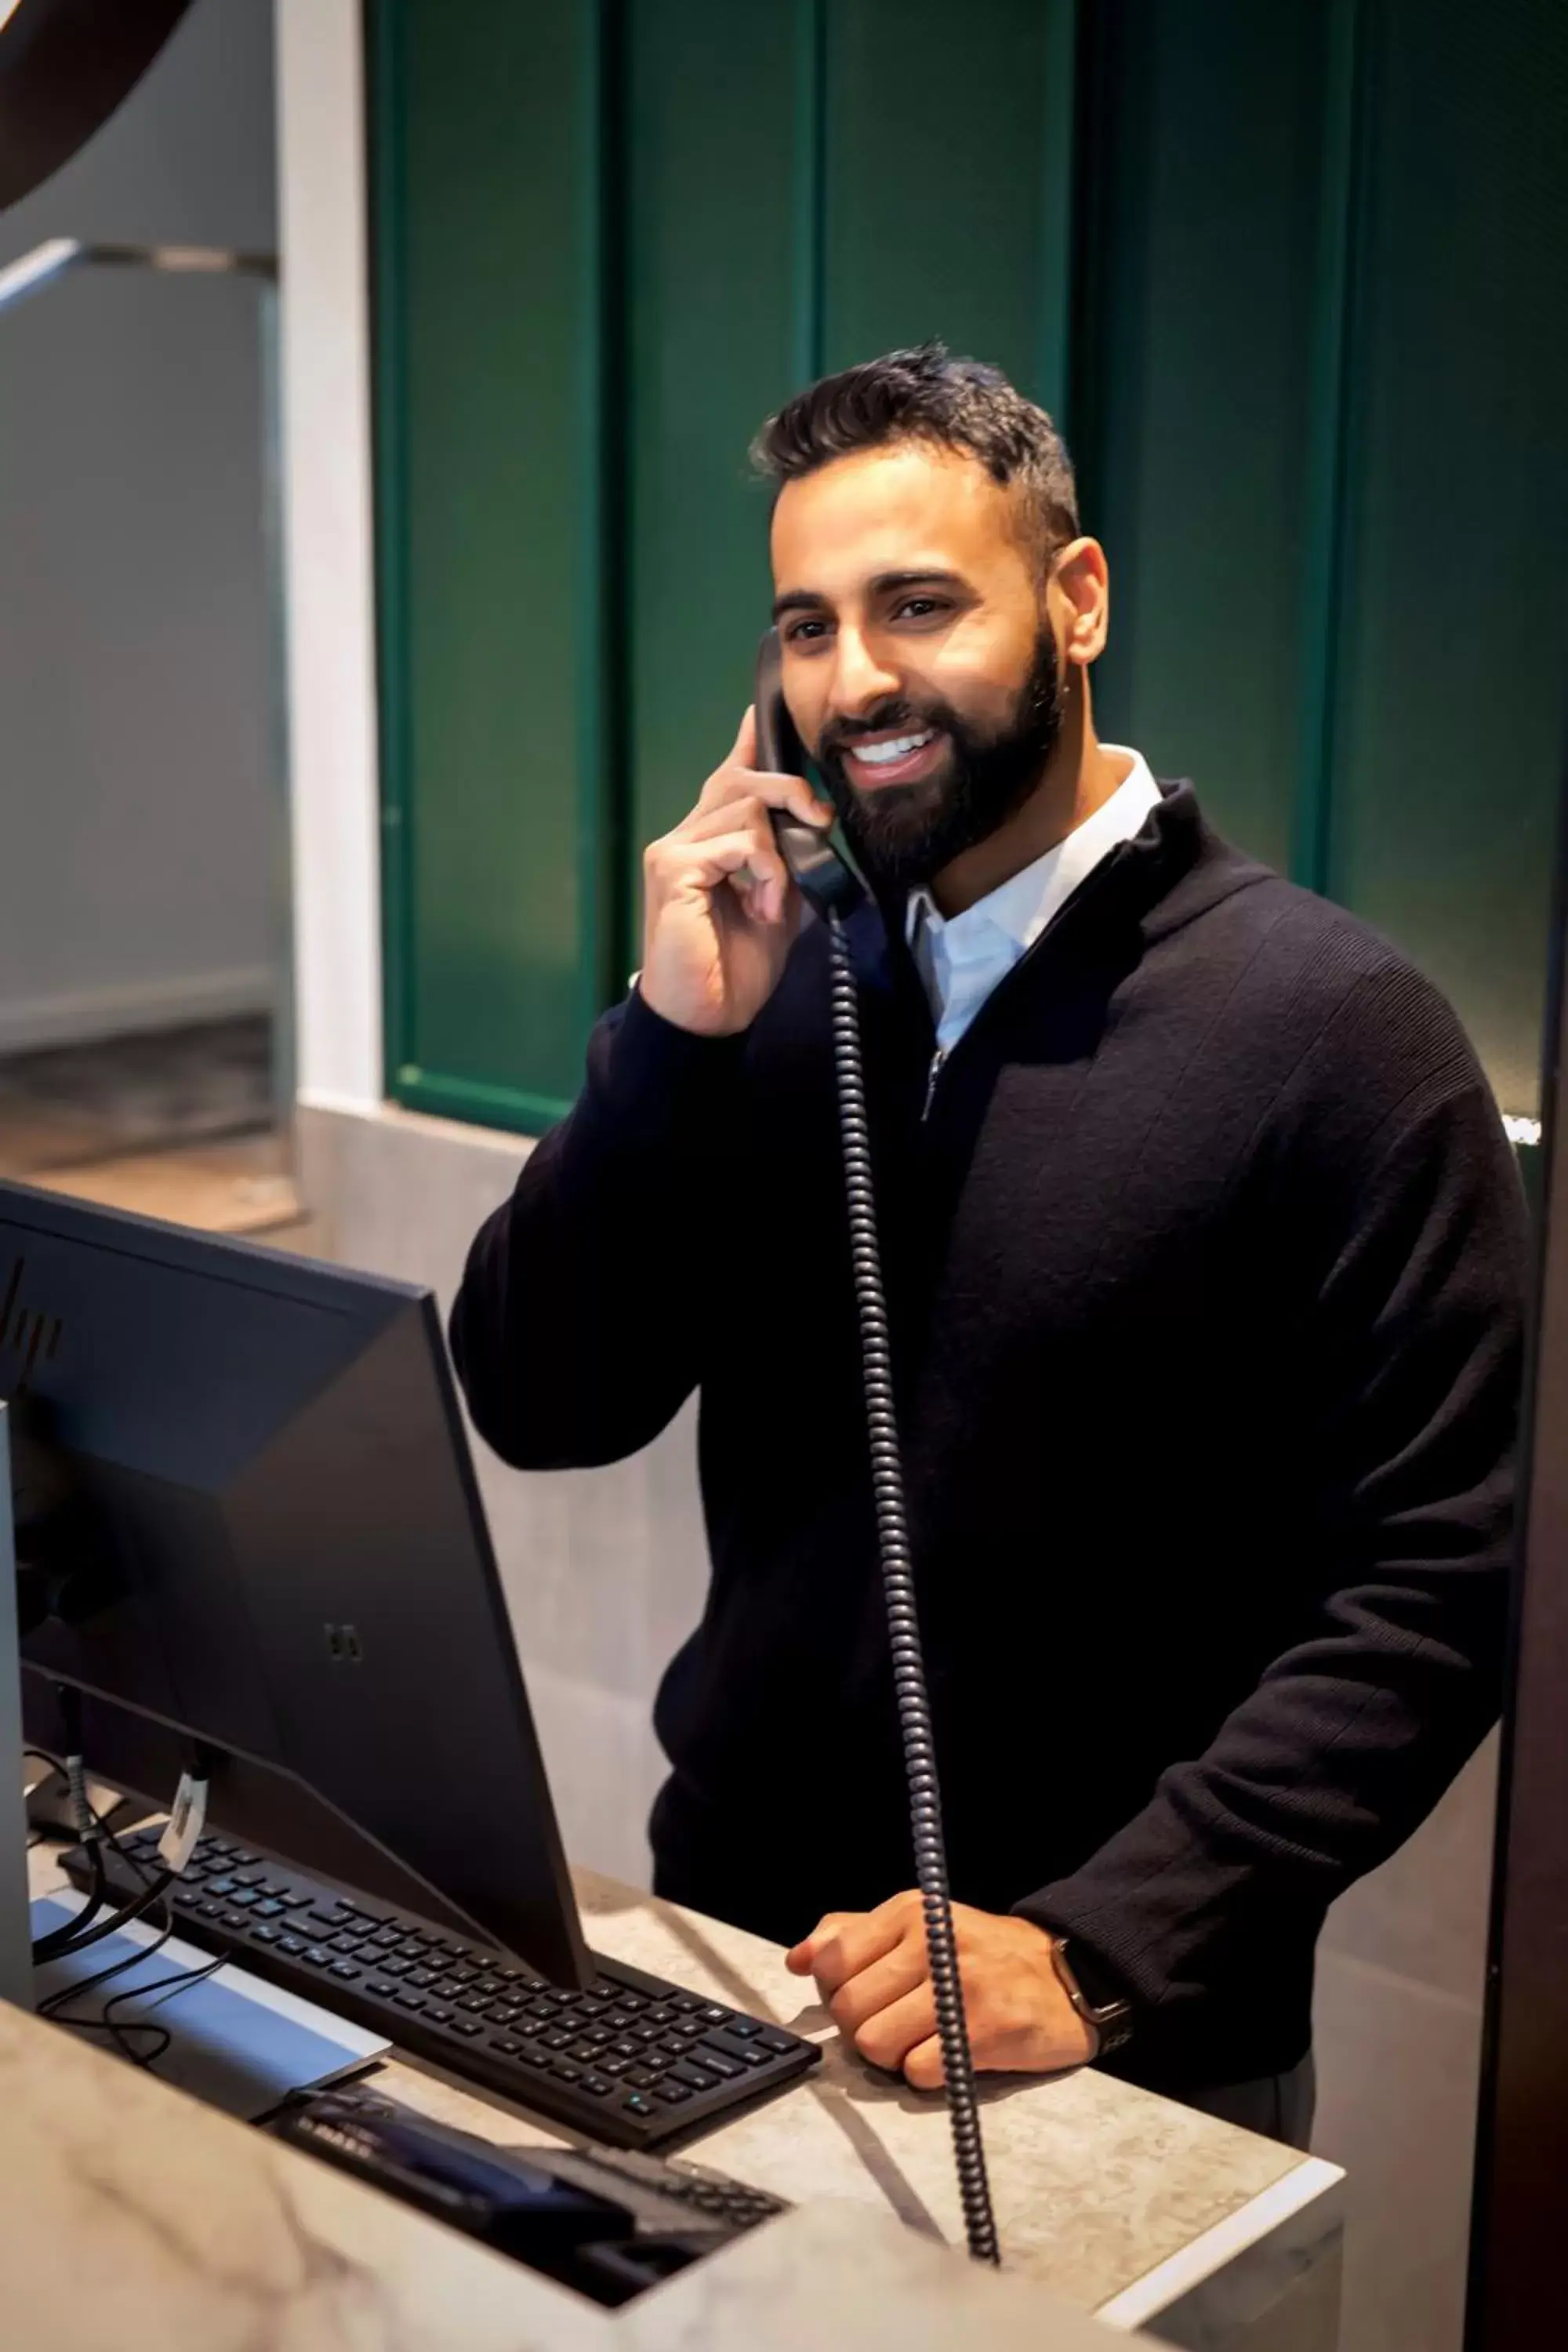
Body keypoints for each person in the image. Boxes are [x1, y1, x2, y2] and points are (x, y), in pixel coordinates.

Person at [451, 344, 1526, 2147]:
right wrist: (669, 1048)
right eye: (805, 627)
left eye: (919, 606)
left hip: (1105, 2048)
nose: (853, 680)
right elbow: (540, 1397)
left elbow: (1436, 1591)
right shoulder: (776, 983)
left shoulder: (1336, 1033)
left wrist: (1098, 1949)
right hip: (736, 1973)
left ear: (1076, 598)